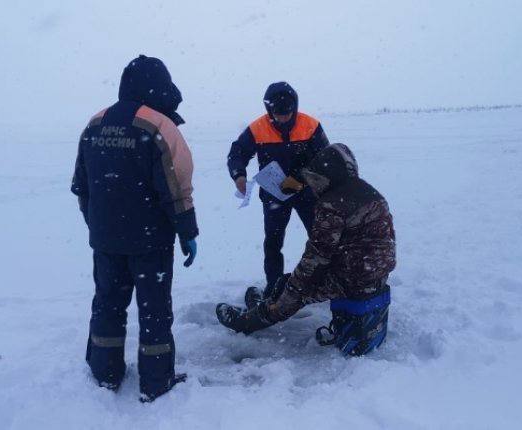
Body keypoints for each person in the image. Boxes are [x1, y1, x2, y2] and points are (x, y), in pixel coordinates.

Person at [71, 55, 198, 402]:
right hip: (150, 241)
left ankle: (105, 373)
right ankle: (157, 380)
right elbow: (177, 187)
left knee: (108, 304)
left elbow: (82, 185)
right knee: (154, 308)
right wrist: (188, 231)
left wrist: (97, 224)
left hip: (106, 240)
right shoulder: (159, 125)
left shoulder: (95, 123)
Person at [217, 144, 396, 356]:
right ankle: (265, 305)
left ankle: (250, 321)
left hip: (354, 278)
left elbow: (316, 257)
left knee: (293, 291)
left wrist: (292, 289)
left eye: (318, 179)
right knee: (291, 283)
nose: (315, 185)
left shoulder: (332, 204)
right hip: (375, 274)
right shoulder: (369, 192)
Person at [227, 82, 329, 292]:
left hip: (306, 193)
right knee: (273, 242)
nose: (283, 118)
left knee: (321, 237)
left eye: (287, 113)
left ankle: (325, 280)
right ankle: (274, 286)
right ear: (269, 110)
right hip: (274, 196)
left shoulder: (310, 125)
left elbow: (325, 159)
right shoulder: (257, 128)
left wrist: (301, 177)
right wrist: (239, 175)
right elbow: (237, 153)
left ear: (294, 107)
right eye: (277, 114)